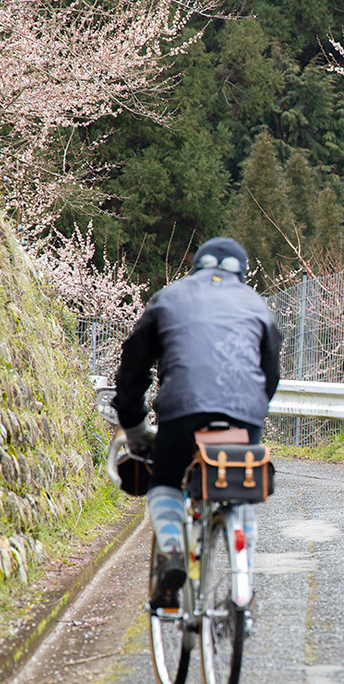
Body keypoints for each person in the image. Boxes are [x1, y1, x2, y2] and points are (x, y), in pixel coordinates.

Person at [112, 237, 282, 609]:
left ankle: (172, 552)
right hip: (243, 412)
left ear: (196, 267)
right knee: (238, 485)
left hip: (182, 408)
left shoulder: (171, 297)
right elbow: (270, 375)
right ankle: (243, 588)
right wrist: (251, 412)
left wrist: (134, 423)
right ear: (242, 271)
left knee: (167, 482)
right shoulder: (256, 304)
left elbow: (134, 364)